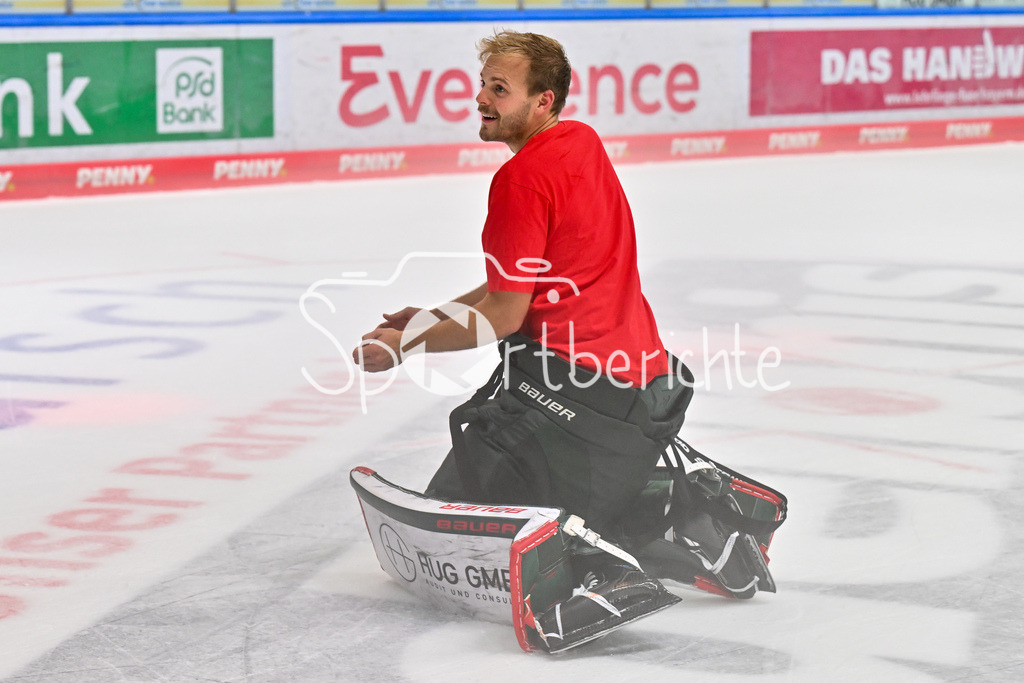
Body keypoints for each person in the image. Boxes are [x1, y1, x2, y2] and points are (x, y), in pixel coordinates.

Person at [355, 30, 690, 539]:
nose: (481, 98)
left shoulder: (521, 181)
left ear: (542, 101)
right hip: (642, 385)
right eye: (483, 84)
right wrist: (428, 318)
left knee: (451, 519)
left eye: (499, 89)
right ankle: (662, 511)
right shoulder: (581, 141)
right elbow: (519, 286)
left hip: (574, 391)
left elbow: (504, 315)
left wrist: (407, 344)